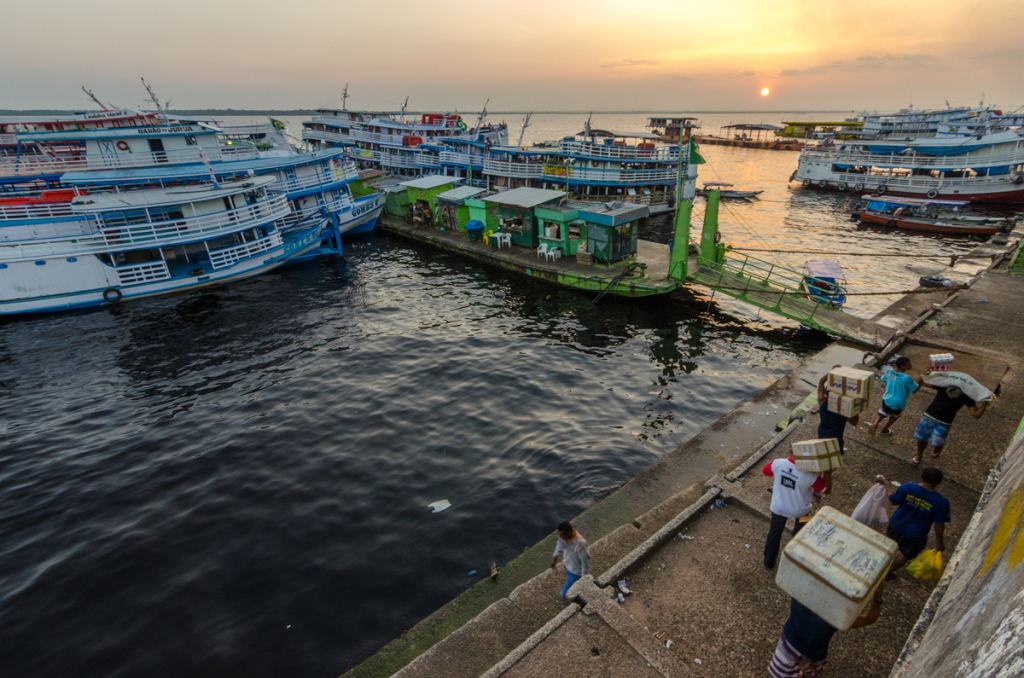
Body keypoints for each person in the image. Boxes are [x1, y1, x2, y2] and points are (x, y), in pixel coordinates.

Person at [769, 582, 886, 678]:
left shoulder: (803, 586)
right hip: (813, 654)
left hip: (789, 644)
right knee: (807, 674)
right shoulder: (839, 614)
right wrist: (877, 598)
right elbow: (868, 619)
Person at [877, 467, 949, 578]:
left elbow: (893, 500)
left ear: (921, 475)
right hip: (917, 534)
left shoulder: (908, 487)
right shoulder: (942, 502)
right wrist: (939, 542)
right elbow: (939, 524)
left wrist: (885, 484)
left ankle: (877, 566)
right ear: (939, 482)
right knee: (905, 554)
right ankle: (886, 574)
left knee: (888, 544)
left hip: (897, 524)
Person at [762, 455, 829, 569]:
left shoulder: (778, 463)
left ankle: (769, 562)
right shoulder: (810, 475)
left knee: (774, 534)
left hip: (779, 508)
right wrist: (826, 473)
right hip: (801, 511)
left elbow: (765, 471)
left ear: (790, 452)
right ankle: (794, 556)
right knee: (800, 533)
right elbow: (823, 489)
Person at [911, 384, 987, 465]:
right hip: (929, 416)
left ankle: (938, 448)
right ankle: (919, 455)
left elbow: (975, 414)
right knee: (921, 438)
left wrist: (985, 403)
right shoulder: (945, 386)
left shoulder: (967, 396)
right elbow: (926, 383)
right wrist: (924, 373)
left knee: (937, 441)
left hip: (944, 422)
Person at [868, 357, 920, 436]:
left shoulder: (889, 372)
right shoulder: (906, 378)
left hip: (887, 398)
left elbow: (883, 378)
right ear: (902, 366)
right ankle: (884, 429)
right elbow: (914, 390)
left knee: (882, 412)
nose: (911, 366)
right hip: (898, 402)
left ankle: (875, 424)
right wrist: (920, 383)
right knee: (895, 416)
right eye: (908, 365)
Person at [817, 367, 860, 455]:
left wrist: (832, 373)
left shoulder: (822, 402)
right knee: (834, 462)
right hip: (835, 440)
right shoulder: (843, 411)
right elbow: (854, 422)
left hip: (821, 435)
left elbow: (821, 382)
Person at [550, 521, 589, 603]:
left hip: (575, 572)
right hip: (567, 565)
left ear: (569, 533)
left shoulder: (580, 543)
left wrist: (584, 578)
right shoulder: (563, 537)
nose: (560, 537)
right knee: (571, 585)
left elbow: (585, 562)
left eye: (562, 535)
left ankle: (566, 604)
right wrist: (555, 558)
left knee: (563, 593)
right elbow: (559, 545)